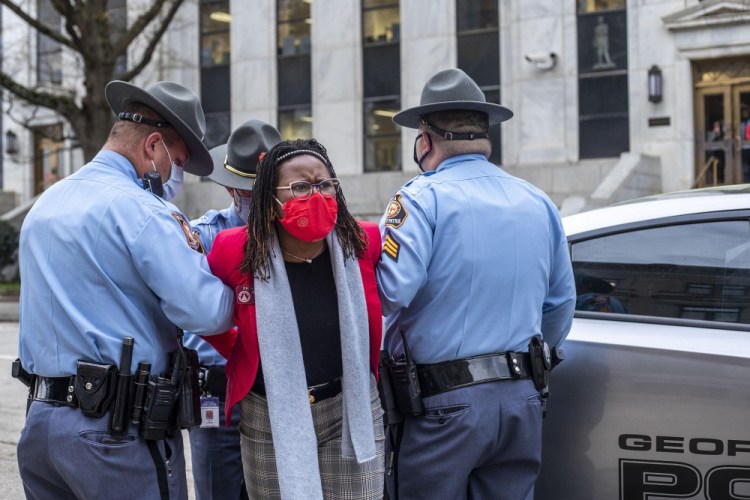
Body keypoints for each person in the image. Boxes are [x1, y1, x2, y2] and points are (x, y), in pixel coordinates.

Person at [15, 80, 236, 500]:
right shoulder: (143, 210)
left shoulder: (46, 203)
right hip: (113, 435)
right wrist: (243, 286)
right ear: (154, 146)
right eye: (180, 161)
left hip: (42, 425)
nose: (178, 176)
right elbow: (205, 311)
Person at [375, 68, 576, 500]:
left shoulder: (419, 198)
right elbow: (560, 304)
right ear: (484, 133)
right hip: (522, 396)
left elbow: (391, 293)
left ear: (424, 140)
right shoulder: (537, 199)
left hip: (444, 407)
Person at [201, 138, 385, 499]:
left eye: (324, 184)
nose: (315, 195)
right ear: (270, 200)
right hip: (267, 415)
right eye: (300, 187)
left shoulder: (364, 242)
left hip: (347, 408)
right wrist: (243, 350)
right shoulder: (233, 249)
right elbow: (202, 314)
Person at [184, 119, 281, 500]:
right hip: (218, 392)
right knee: (216, 489)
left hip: (278, 390)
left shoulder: (300, 239)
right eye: (248, 192)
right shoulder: (205, 235)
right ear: (229, 189)